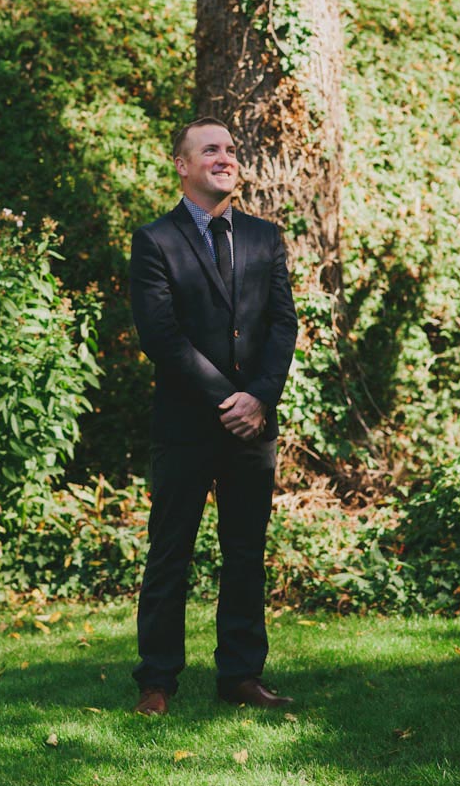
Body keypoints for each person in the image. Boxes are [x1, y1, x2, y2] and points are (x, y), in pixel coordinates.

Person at [129, 116, 298, 714]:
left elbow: (283, 324)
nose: (225, 157)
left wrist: (261, 398)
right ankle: (157, 681)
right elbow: (162, 337)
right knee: (170, 551)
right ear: (182, 164)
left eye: (230, 149)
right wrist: (229, 400)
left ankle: (241, 676)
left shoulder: (263, 236)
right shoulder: (155, 240)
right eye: (210, 150)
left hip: (254, 424)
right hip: (186, 425)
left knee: (245, 550)